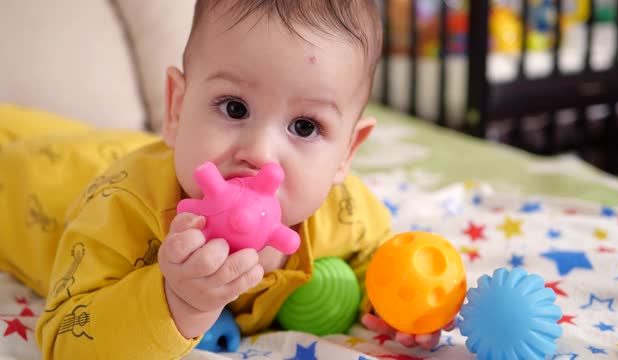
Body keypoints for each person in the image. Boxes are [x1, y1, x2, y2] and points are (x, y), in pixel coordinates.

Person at [0, 1, 453, 358]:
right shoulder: (122, 209)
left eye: (305, 127)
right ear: (176, 108)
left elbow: (371, 260)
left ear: (346, 154)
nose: (258, 152)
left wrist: (393, 307)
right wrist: (174, 301)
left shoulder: (344, 211)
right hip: (31, 182)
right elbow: (66, 339)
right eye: (234, 107)